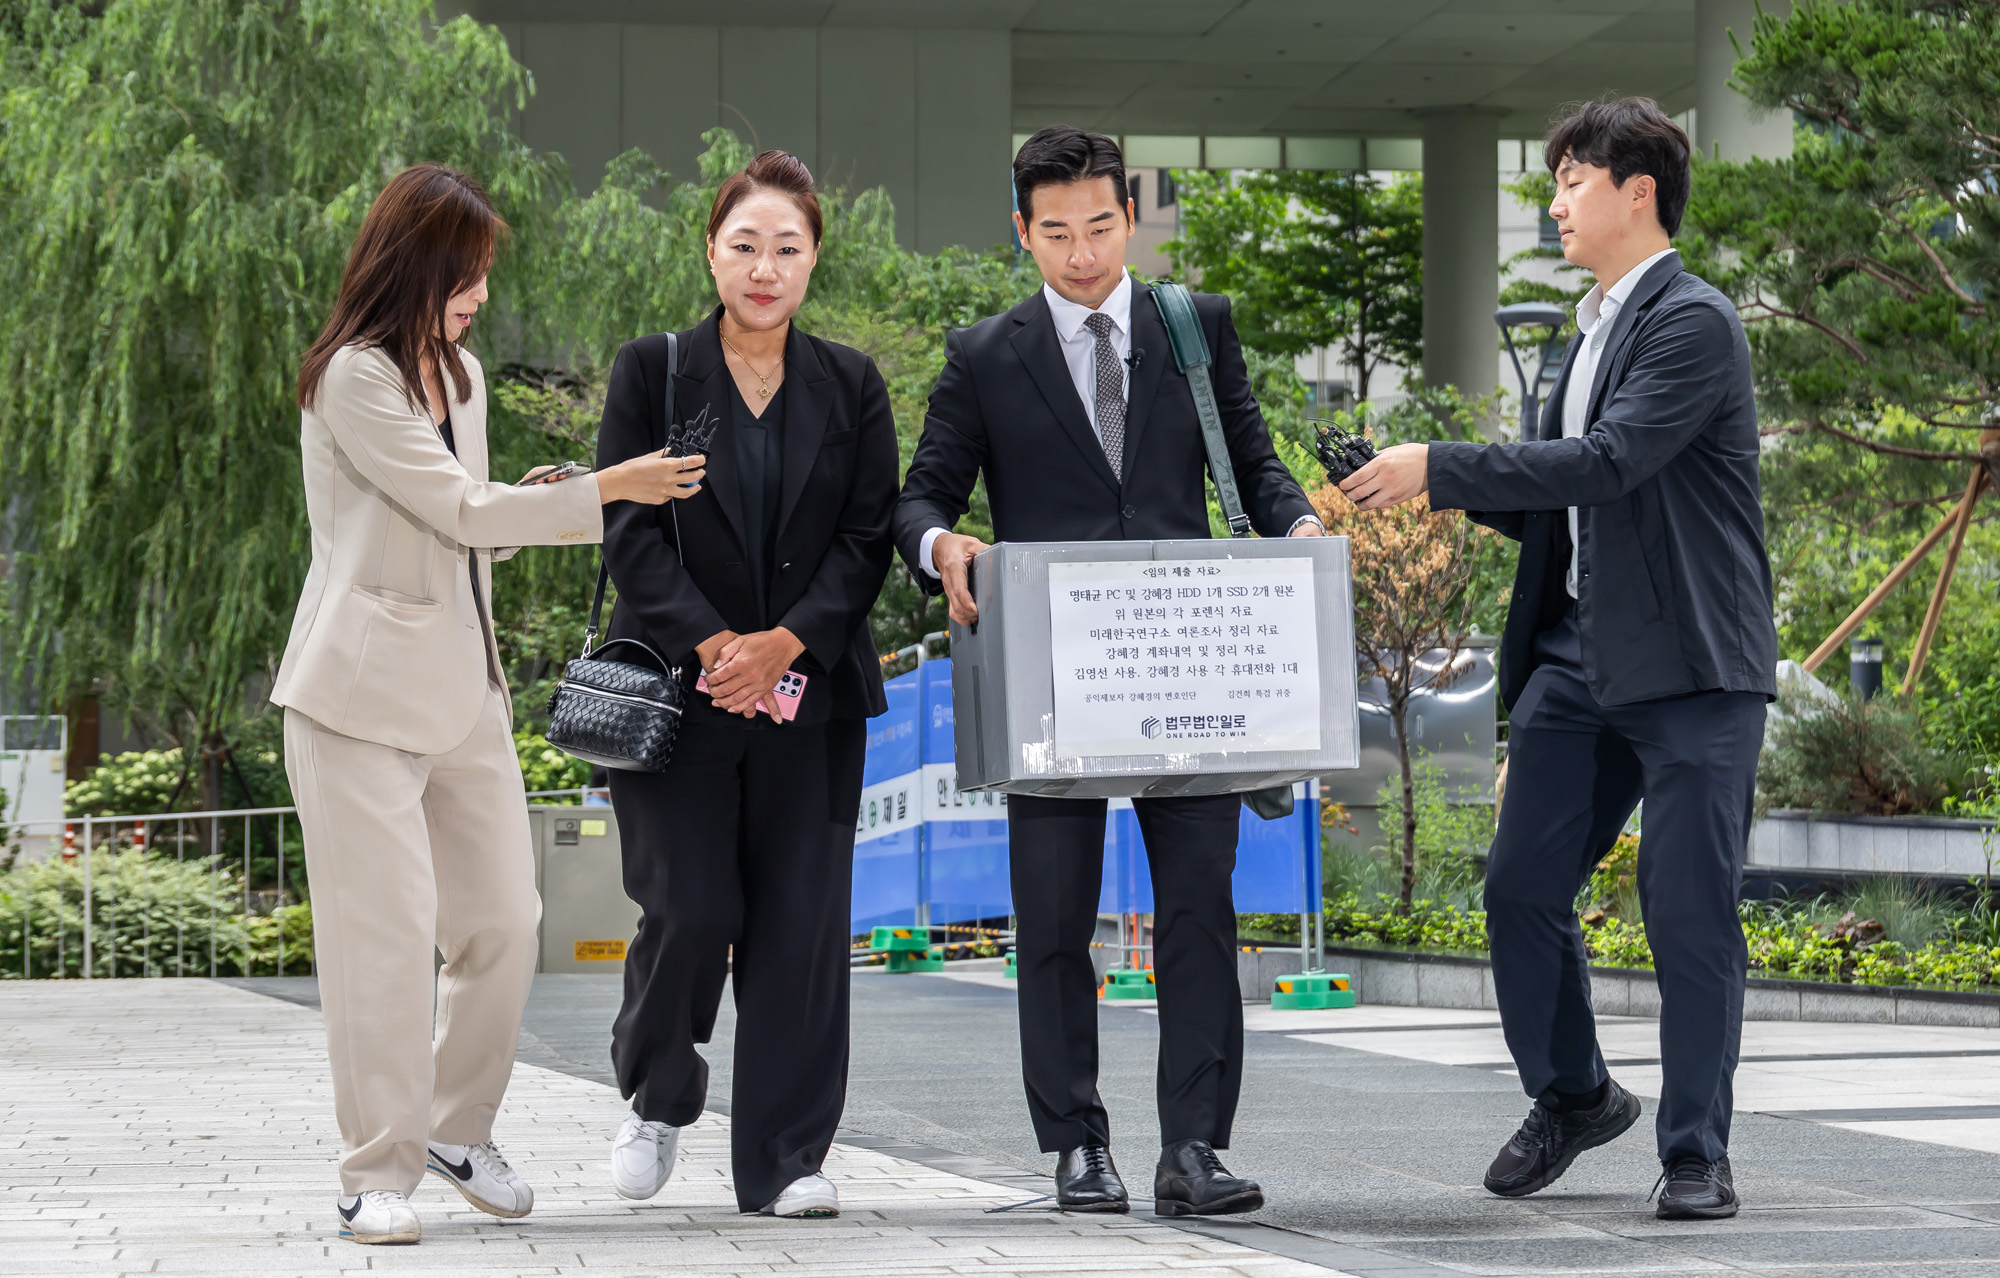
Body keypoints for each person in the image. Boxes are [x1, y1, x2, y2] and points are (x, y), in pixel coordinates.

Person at [1337, 98, 1775, 1221]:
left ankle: (1693, 1152)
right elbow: (1562, 509)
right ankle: (1574, 1095)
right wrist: (1412, 489)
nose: (1553, 203)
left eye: (1571, 180)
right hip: (1578, 660)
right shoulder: (1579, 334)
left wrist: (1439, 461)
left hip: (1689, 667)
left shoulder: (1691, 321)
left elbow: (1610, 462)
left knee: (1686, 915)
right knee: (1518, 889)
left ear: (1638, 192)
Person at [894, 126, 1323, 1218]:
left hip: (1186, 658)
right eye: (1054, 232)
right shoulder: (983, 354)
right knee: (1051, 920)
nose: (1079, 254)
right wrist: (942, 546)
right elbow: (922, 493)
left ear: (1127, 220)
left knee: (1196, 914)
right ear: (1020, 231)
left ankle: (1193, 1146)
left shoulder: (1194, 325)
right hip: (1050, 670)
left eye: (1098, 226)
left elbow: (1253, 459)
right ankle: (1075, 1144)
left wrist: (1302, 523)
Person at [275, 163, 702, 1246]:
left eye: (479, 278)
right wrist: (606, 486)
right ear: (411, 266)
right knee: (387, 938)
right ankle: (376, 1169)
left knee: (504, 922)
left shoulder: (458, 375)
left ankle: (457, 1128)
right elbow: (458, 510)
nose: (475, 297)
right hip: (355, 693)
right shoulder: (354, 378)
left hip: (463, 689)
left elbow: (478, 522)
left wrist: (543, 497)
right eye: (461, 276)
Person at [594, 150, 898, 1219]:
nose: (764, 268)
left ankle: (785, 1160)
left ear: (813, 259)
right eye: (744, 246)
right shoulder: (655, 371)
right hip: (678, 695)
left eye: (787, 248)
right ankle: (656, 1094)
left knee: (799, 928)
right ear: (710, 252)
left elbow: (865, 540)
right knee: (692, 906)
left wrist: (788, 643)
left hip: (808, 701)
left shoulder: (850, 385)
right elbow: (627, 532)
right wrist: (719, 646)